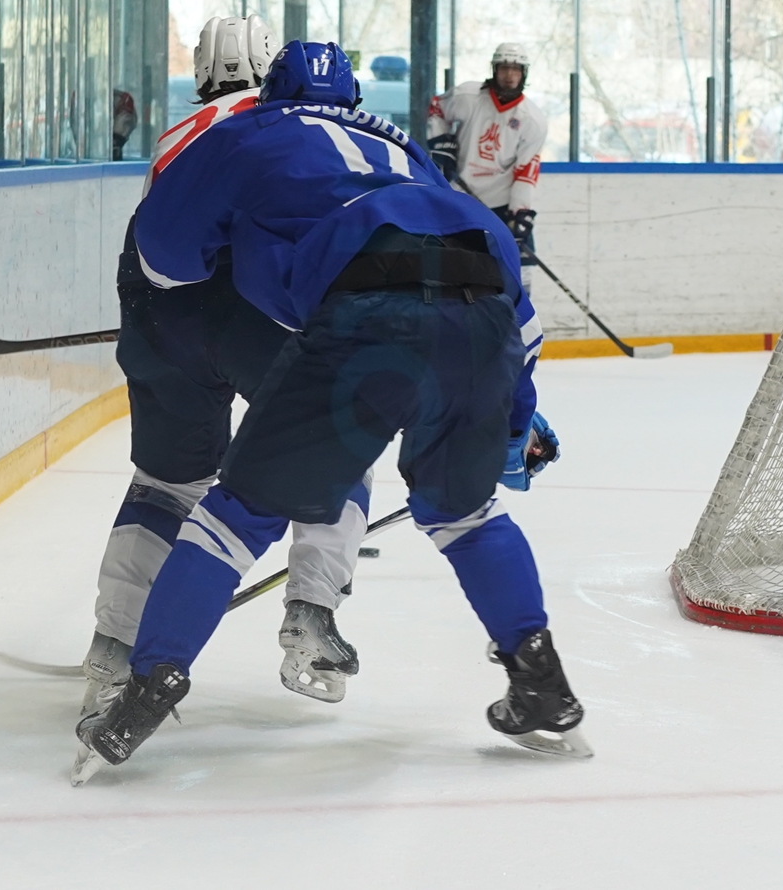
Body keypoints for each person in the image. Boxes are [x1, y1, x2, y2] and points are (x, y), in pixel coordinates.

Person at [73, 41, 582, 784]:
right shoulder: (406, 149)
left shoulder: (250, 131)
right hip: (482, 311)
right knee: (466, 516)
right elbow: (522, 322)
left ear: (270, 92)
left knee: (235, 515)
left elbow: (165, 256)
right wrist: (513, 427)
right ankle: (543, 687)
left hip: (363, 316)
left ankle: (142, 693)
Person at [83, 15, 371, 718]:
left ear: (202, 74)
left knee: (163, 483)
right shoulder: (291, 124)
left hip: (158, 314)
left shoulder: (175, 137)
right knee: (336, 443)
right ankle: (312, 608)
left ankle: (113, 646)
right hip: (256, 308)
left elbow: (160, 246)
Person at [425, 42, 549, 267]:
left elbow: (525, 173)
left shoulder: (533, 120)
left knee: (521, 270)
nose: (509, 76)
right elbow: (437, 108)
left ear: (524, 73)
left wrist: (518, 213)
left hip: (500, 204)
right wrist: (439, 141)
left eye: (516, 70)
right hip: (459, 197)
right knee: (453, 267)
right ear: (494, 70)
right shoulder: (468, 96)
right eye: (504, 68)